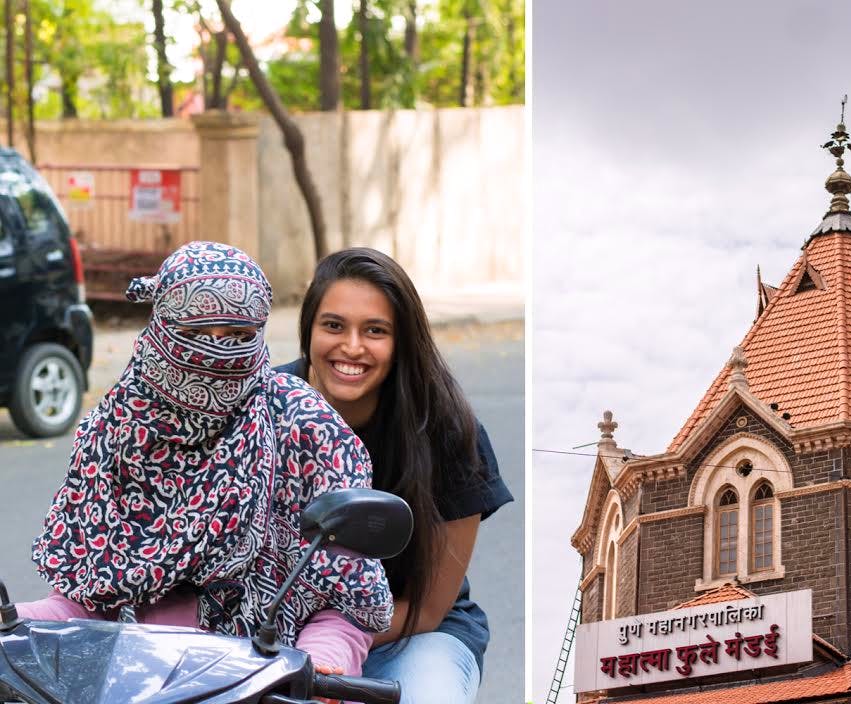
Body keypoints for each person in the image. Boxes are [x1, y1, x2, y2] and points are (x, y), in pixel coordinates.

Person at [21, 241, 392, 682]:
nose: (218, 355)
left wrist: (318, 663)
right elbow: (83, 601)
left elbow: (345, 602)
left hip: (265, 677)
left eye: (237, 338)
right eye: (198, 336)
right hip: (126, 677)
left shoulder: (307, 429)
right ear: (162, 330)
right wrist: (21, 621)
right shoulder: (117, 430)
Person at [274, 248, 513, 703]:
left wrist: (327, 650)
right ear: (308, 329)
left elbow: (428, 610)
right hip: (268, 637)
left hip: (410, 635)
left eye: (375, 331)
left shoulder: (448, 432)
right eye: (333, 325)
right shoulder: (262, 405)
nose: (352, 347)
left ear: (401, 341)